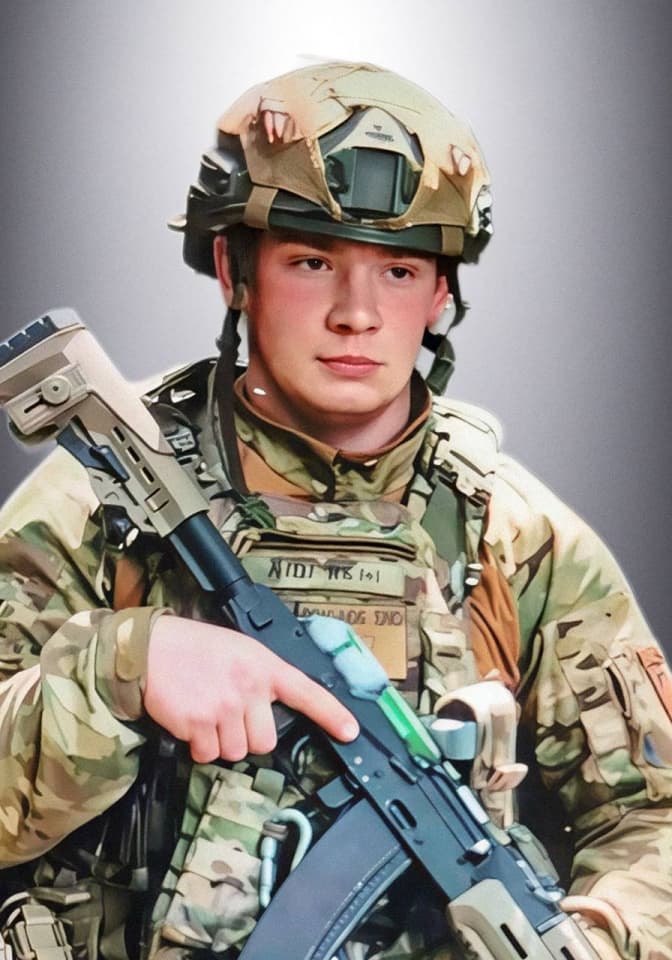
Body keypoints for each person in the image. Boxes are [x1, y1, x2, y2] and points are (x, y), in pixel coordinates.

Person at [0, 61, 671, 960]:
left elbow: (652, 816)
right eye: (312, 261)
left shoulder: (515, 537)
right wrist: (121, 668)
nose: (358, 314)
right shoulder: (105, 503)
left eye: (398, 269)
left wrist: (603, 936)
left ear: (441, 294)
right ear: (235, 270)